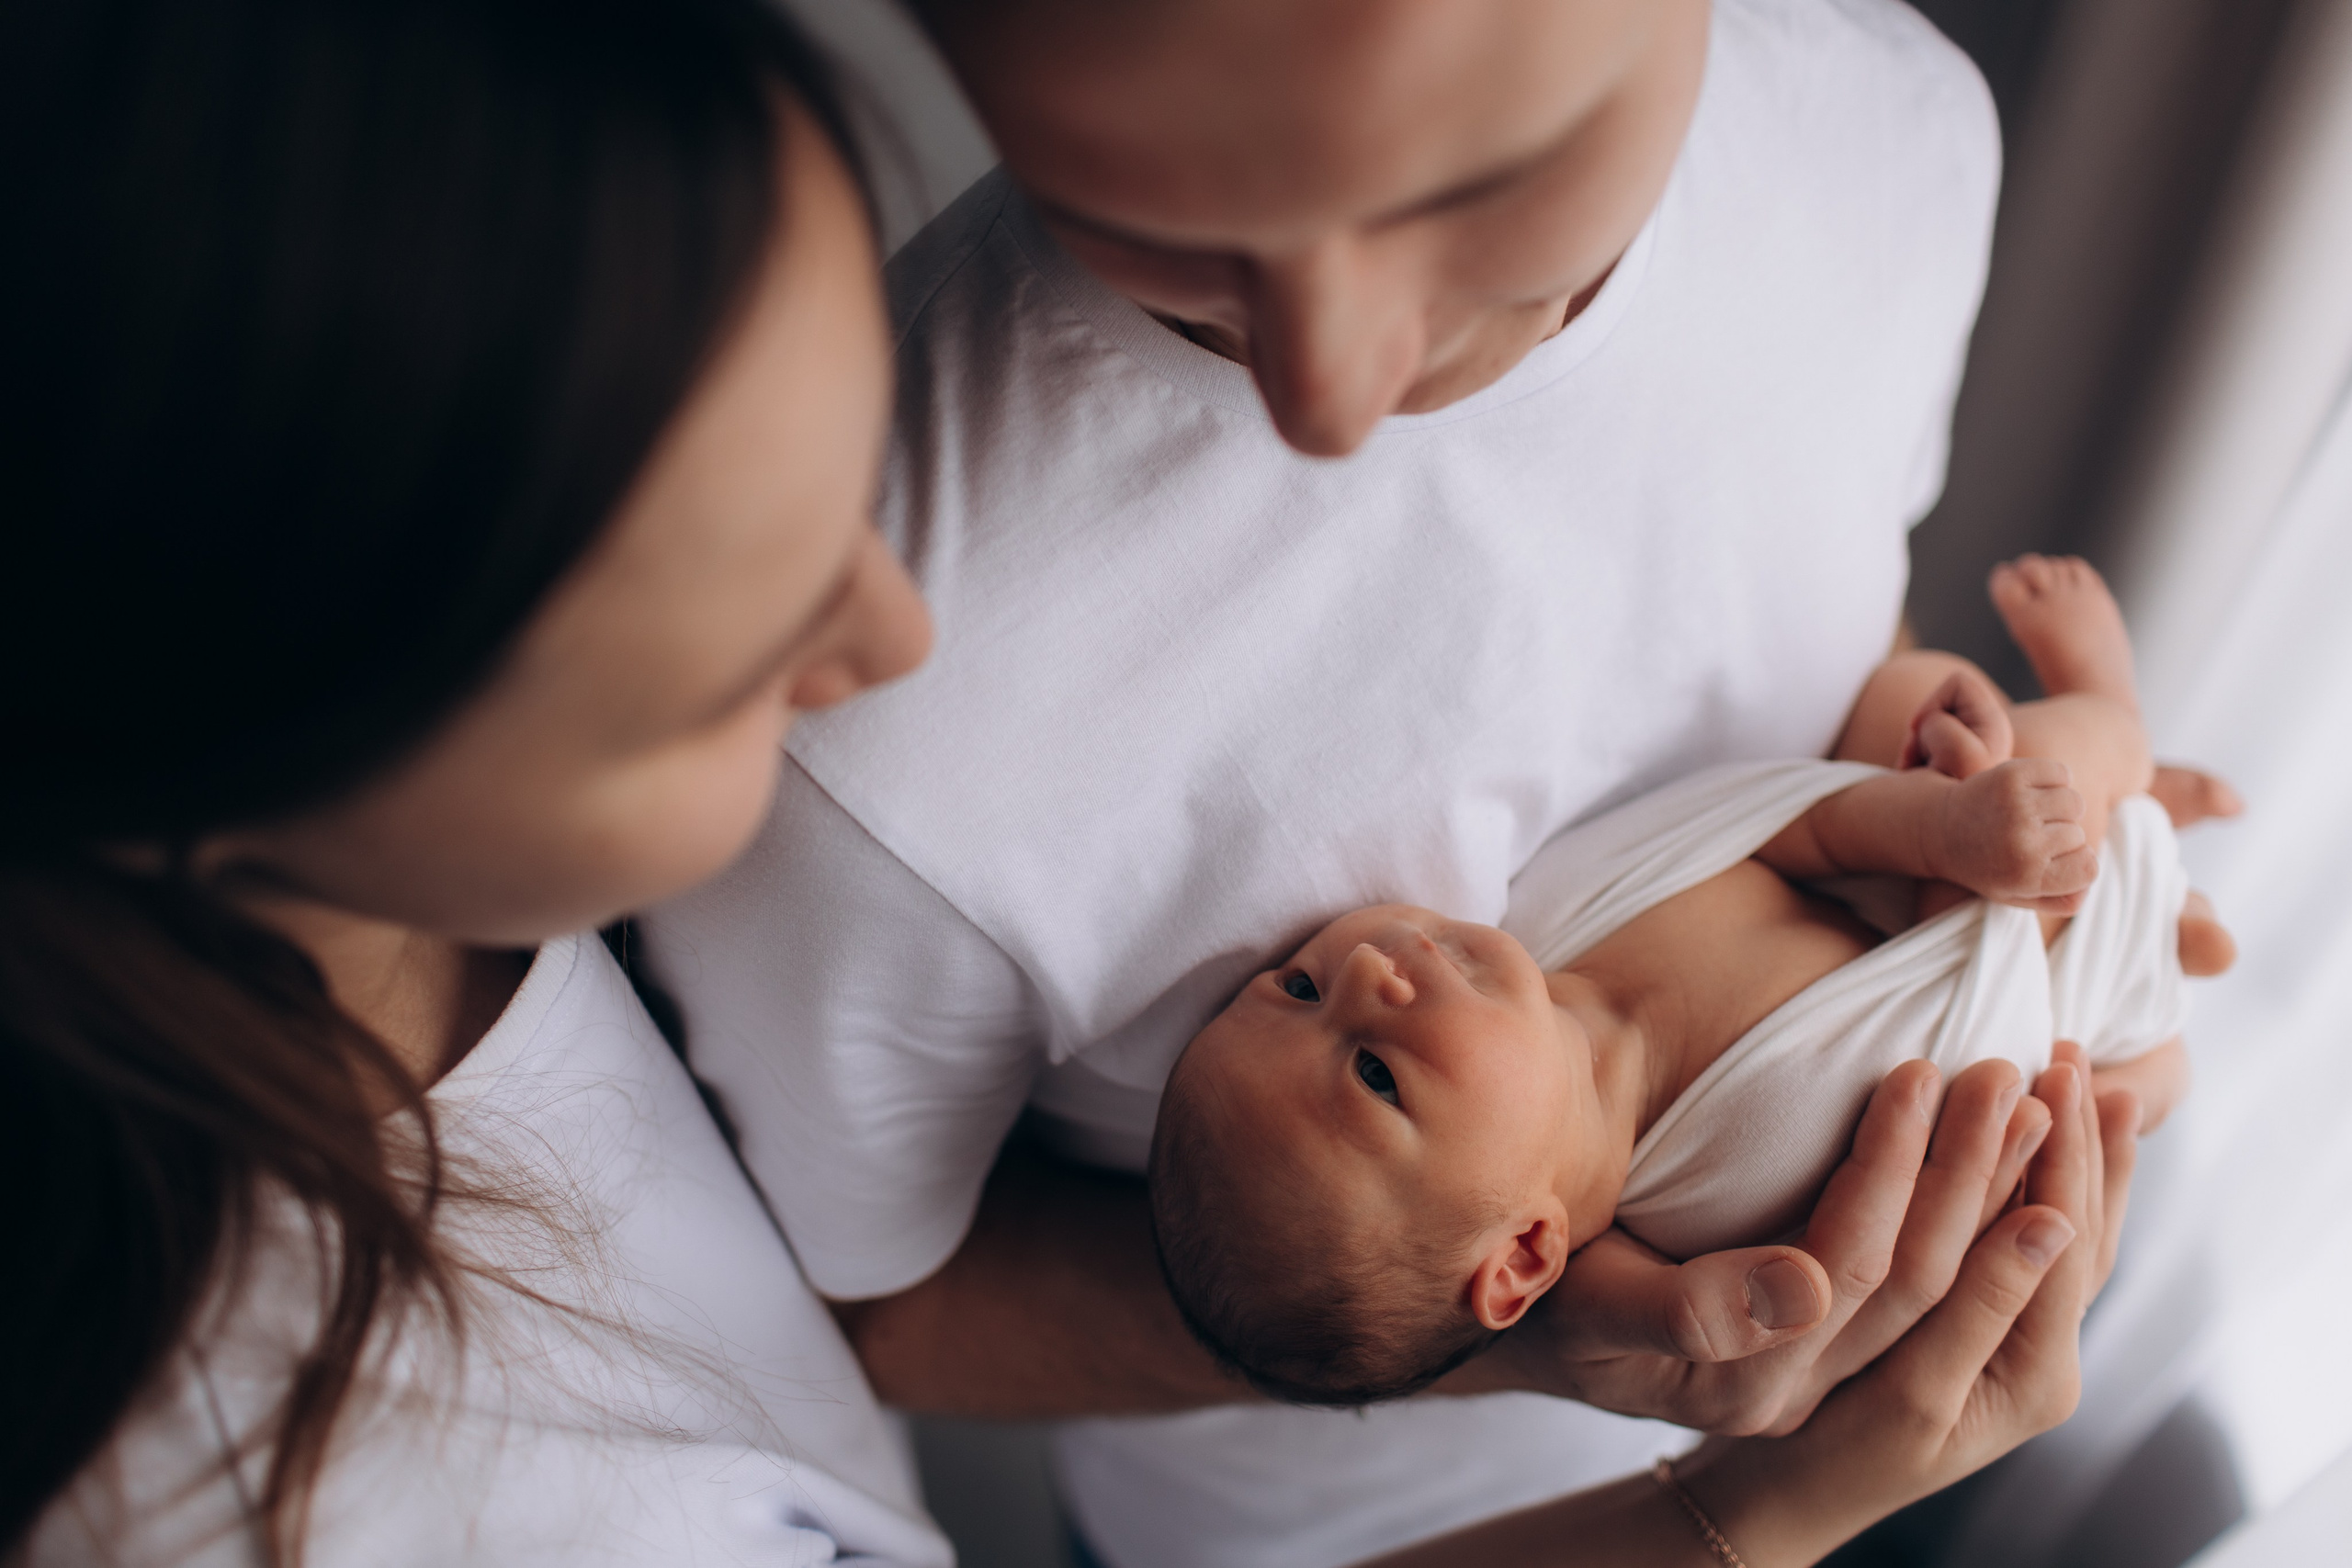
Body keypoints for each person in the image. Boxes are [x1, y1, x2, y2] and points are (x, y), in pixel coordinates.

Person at [637, 0, 2181, 1562]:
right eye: (1157, 213)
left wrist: (2023, 876)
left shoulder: (1885, 129)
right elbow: (858, 1313)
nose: (1327, 389)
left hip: (1952, 1371)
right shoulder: (855, 655)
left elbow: (1822, 624)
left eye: (1466, 181)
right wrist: (1520, 1350)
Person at [1, 2, 943, 1562]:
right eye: (721, 677)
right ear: (207, 774)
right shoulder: (360, 1509)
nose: (899, 632)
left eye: (861, 475)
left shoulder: (384, 863)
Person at [1151, 555, 2230, 1406]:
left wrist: (1941, 830)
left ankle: (2136, 867)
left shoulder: (1550, 919)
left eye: (1297, 987)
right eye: (1377, 1075)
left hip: (1907, 878)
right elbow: (1949, 1076)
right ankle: (2113, 718)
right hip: (2007, 991)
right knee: (2128, 1073)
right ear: (1526, 1254)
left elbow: (1791, 825)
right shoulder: (1665, 1239)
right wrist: (1975, 895)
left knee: (1899, 703)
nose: (1372, 973)